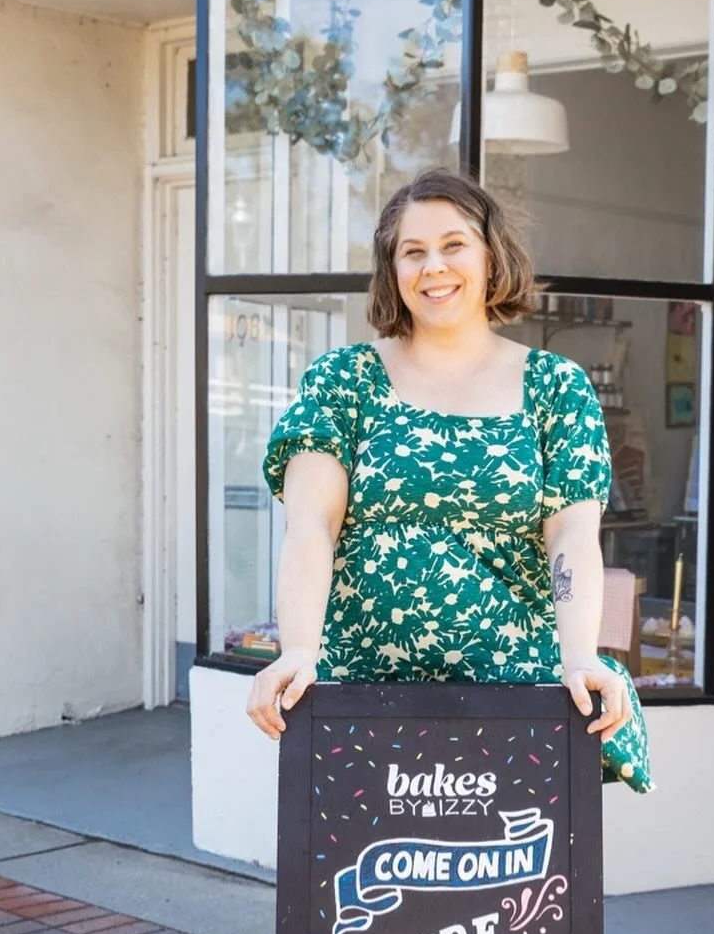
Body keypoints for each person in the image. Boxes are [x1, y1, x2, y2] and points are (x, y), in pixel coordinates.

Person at [246, 168, 651, 793]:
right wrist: (298, 650)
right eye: (413, 252)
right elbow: (310, 526)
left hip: (516, 697)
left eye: (454, 244)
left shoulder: (555, 386)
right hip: (361, 692)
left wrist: (579, 657)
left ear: (492, 257)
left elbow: (572, 534)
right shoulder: (344, 379)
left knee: (512, 885)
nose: (434, 266)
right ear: (393, 270)